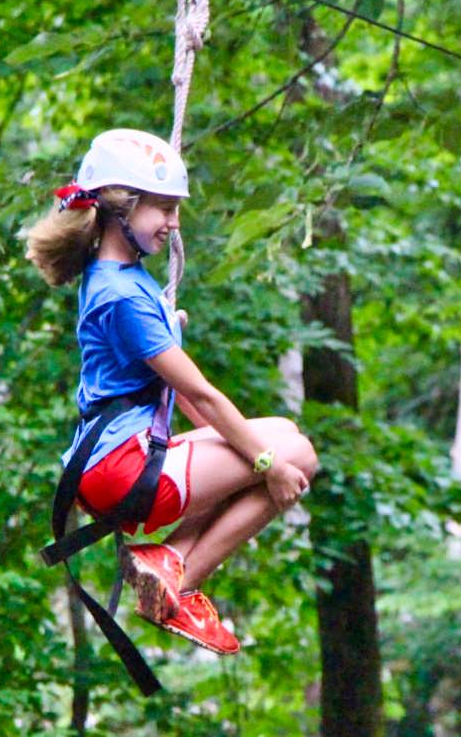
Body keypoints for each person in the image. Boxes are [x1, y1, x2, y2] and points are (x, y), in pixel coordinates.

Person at [27, 128, 318, 655]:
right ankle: (182, 586)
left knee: (277, 436)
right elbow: (200, 396)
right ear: (120, 208)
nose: (174, 222)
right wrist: (265, 468)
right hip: (120, 469)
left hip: (114, 463)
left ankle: (168, 563)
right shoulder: (124, 297)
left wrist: (243, 462)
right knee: (294, 454)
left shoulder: (123, 278)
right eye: (163, 207)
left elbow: (176, 393)